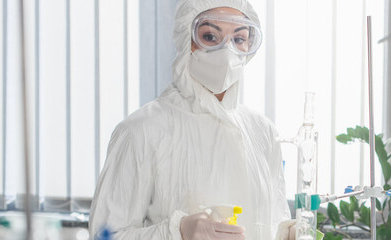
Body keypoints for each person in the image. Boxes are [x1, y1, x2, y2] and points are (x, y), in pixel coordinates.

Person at [89, 0, 294, 239]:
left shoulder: (263, 132)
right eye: (210, 36)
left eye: (238, 39)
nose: (227, 52)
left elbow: (270, 222)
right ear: (186, 40)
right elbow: (103, 235)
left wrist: (288, 233)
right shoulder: (141, 130)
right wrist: (176, 232)